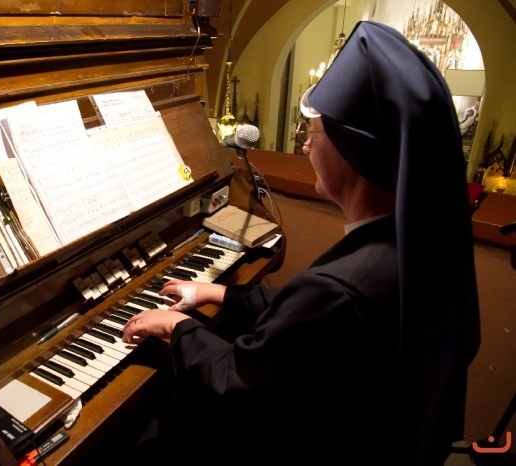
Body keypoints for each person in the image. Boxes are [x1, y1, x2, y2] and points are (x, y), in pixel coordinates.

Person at [120, 21, 480, 466]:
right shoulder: (410, 239)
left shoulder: (340, 286)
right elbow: (305, 316)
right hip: (378, 430)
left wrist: (177, 327)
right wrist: (219, 293)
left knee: (151, 431)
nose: (306, 147)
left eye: (315, 133)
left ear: (353, 150)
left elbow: (233, 380)